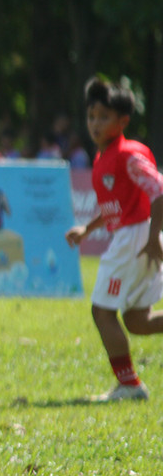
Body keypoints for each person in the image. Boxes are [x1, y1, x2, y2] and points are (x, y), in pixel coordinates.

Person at [65, 77, 163, 401]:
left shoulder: (128, 155)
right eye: (91, 115)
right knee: (136, 320)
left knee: (102, 312)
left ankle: (130, 385)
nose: (95, 123)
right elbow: (114, 208)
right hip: (133, 235)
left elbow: (159, 190)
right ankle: (129, 384)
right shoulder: (103, 157)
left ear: (122, 121)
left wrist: (151, 238)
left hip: (134, 238)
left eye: (103, 117)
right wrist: (88, 230)